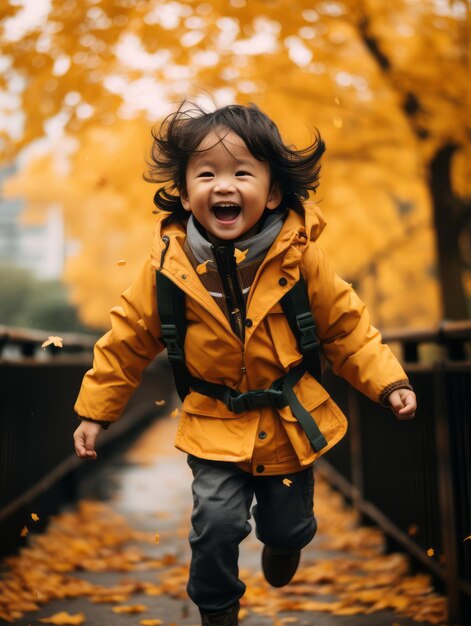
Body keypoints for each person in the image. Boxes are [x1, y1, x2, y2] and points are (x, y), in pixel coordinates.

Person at [73, 102, 417, 626]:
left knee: (286, 526)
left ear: (273, 192)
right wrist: (96, 412)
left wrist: (388, 382)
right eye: (206, 174)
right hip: (213, 421)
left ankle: (287, 544)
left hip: (290, 423)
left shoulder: (301, 258)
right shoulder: (167, 267)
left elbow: (346, 328)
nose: (223, 186)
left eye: (241, 172)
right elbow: (126, 340)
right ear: (187, 195)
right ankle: (217, 609)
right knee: (214, 521)